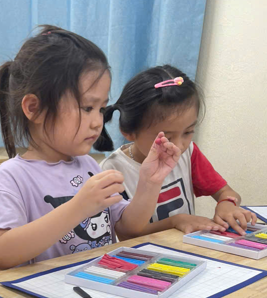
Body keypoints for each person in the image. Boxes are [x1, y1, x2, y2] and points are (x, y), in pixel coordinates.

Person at [0, 26, 184, 270]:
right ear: (34, 108)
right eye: (87, 108)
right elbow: (1, 253)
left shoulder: (88, 166)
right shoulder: (13, 176)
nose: (97, 122)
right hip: (48, 289)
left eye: (101, 109)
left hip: (100, 281)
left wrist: (150, 182)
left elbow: (129, 228)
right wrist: (79, 207)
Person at [98, 64, 258, 234]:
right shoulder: (111, 171)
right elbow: (126, 234)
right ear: (129, 132)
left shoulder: (188, 152)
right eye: (167, 137)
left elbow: (227, 192)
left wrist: (227, 204)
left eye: (188, 132)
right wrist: (175, 221)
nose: (179, 146)